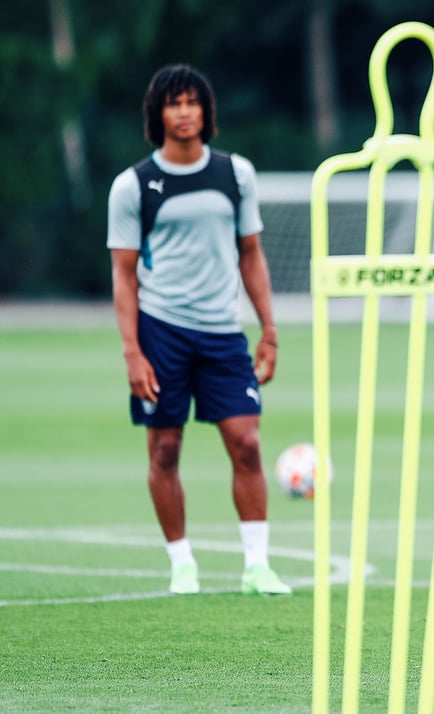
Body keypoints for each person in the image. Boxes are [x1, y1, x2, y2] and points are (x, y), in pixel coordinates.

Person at [107, 64, 291, 596]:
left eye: (193, 102)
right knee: (164, 449)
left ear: (206, 112)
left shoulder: (236, 174)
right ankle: (181, 564)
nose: (184, 111)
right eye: (173, 103)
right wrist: (131, 352)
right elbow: (122, 275)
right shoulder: (133, 185)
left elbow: (250, 256)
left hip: (222, 333)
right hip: (160, 331)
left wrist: (269, 329)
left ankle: (257, 566)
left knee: (248, 443)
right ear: (157, 113)